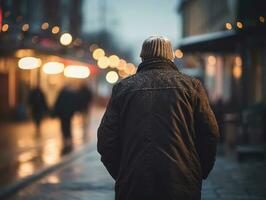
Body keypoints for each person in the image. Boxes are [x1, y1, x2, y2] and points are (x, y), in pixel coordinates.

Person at [97, 36, 219, 200]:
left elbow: (106, 140)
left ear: (142, 57)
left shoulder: (123, 88)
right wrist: (196, 171)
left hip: (134, 182)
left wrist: (123, 172)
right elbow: (209, 133)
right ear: (171, 57)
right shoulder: (191, 86)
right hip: (181, 181)